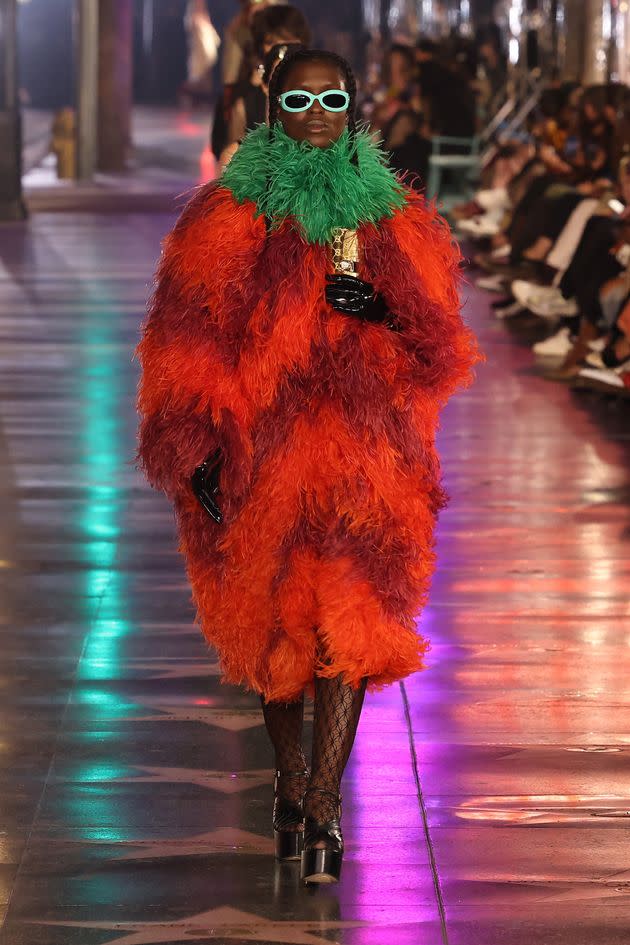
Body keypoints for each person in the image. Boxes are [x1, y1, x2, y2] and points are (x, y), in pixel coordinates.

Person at [136, 47, 479, 885]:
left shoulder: (397, 218)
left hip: (368, 465)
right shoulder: (224, 218)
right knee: (277, 627)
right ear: (273, 104)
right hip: (262, 457)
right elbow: (187, 342)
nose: (319, 109)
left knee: (350, 627)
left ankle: (322, 805)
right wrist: (197, 446)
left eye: (334, 95)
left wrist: (387, 307)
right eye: (301, 96)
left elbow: (440, 347)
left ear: (355, 104)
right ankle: (292, 788)